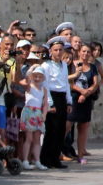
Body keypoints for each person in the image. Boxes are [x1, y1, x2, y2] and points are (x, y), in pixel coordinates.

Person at [41, 37, 72, 169]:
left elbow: (66, 84)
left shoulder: (64, 65)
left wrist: (69, 101)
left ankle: (55, 158)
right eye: (55, 50)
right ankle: (45, 158)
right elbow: (45, 85)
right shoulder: (46, 65)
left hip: (62, 97)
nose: (58, 52)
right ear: (51, 51)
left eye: (60, 49)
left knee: (60, 129)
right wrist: (49, 103)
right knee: (51, 129)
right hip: (52, 95)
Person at [68, 45, 98, 165]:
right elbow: (69, 83)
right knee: (66, 125)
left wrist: (86, 94)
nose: (85, 54)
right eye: (83, 51)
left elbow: (95, 83)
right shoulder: (72, 64)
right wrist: (81, 91)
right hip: (73, 98)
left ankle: (80, 155)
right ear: (79, 52)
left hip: (86, 99)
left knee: (83, 127)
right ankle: (58, 152)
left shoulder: (92, 67)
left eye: (88, 52)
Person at [20, 65, 49, 170]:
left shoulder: (44, 89)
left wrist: (44, 114)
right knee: (29, 138)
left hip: (38, 113)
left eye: (40, 77)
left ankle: (37, 160)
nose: (37, 79)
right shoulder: (29, 86)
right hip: (29, 112)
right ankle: (25, 161)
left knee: (37, 139)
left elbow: (45, 104)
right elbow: (27, 78)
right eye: (35, 76)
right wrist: (33, 67)